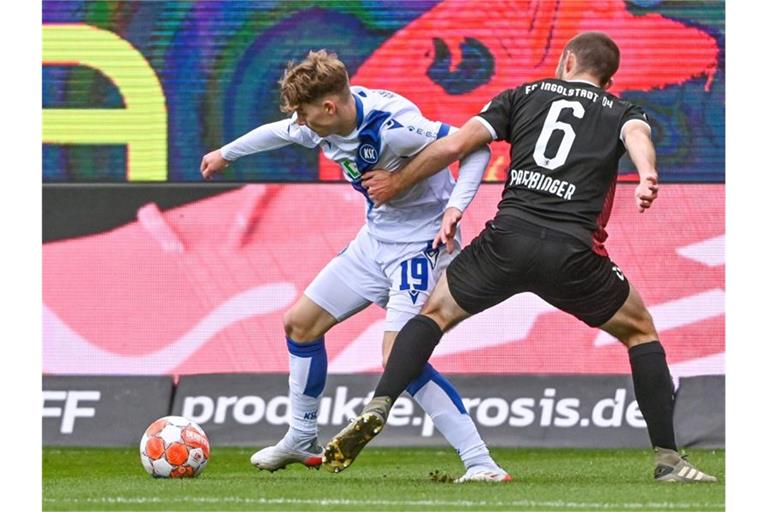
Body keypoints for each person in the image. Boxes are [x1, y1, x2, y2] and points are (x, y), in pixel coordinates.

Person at [322, 32, 717, 483]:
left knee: (433, 314)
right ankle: (668, 459)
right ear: (609, 81)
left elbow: (455, 146)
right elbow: (637, 135)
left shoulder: (521, 95)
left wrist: (397, 182)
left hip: (506, 240)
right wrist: (647, 173)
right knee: (641, 332)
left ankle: (381, 401)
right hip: (571, 253)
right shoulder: (621, 110)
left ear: (566, 61)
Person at [200, 50, 511, 482]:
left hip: (420, 247)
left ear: (330, 106)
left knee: (399, 355)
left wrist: (455, 207)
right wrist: (226, 154)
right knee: (300, 323)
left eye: (306, 115)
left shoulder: (393, 125)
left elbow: (474, 146)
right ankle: (301, 438)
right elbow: (280, 132)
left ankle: (481, 463)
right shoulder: (321, 123)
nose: (301, 124)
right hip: (374, 242)